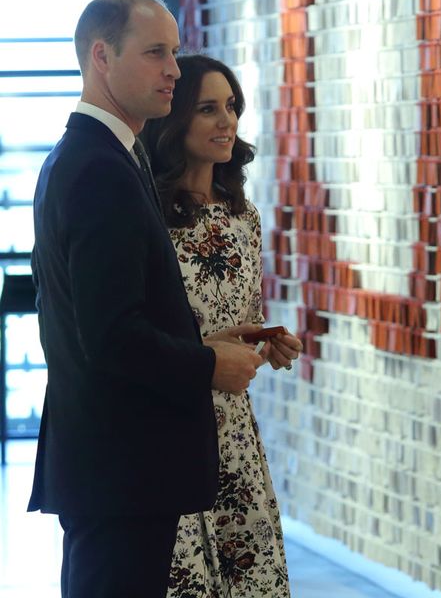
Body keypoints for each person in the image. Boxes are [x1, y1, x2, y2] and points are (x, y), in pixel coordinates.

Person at [29, 0, 266, 598]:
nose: (173, 70)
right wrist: (211, 361)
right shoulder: (98, 168)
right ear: (101, 57)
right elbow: (112, 337)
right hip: (121, 469)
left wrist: (204, 341)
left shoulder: (103, 155)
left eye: (176, 52)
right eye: (156, 52)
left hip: (119, 467)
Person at [141, 53, 302, 597]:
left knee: (248, 578)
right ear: (177, 120)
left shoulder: (243, 216)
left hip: (233, 428)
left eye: (231, 106)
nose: (227, 121)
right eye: (208, 109)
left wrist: (268, 339)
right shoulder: (149, 216)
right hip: (174, 421)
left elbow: (242, 319)